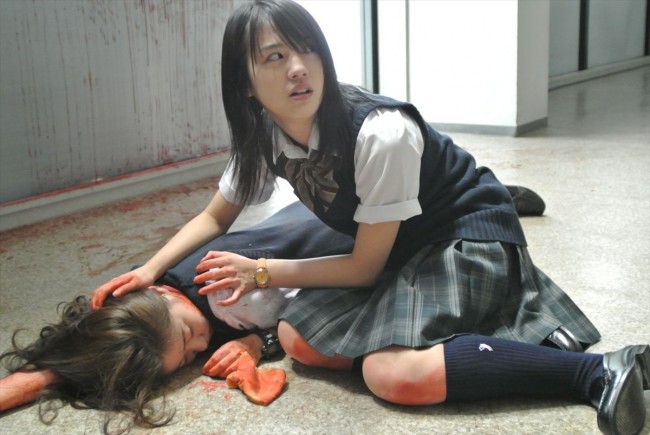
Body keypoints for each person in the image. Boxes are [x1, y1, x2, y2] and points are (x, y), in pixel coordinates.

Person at [91, 1, 647, 434]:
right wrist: (149, 270)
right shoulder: (263, 135)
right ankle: (470, 345)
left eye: (308, 50)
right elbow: (215, 217)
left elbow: (362, 269)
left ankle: (597, 373)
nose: (299, 69)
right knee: (298, 338)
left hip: (463, 232)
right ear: (245, 83)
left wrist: (259, 271)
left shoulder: (380, 133)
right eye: (274, 57)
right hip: (401, 243)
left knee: (390, 376)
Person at [0, 201, 353, 431]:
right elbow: (86, 351)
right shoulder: (154, 302)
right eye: (186, 358)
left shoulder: (227, 288)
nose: (199, 346)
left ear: (163, 293)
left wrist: (261, 341)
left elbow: (312, 299)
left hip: (351, 237)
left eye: (187, 336)